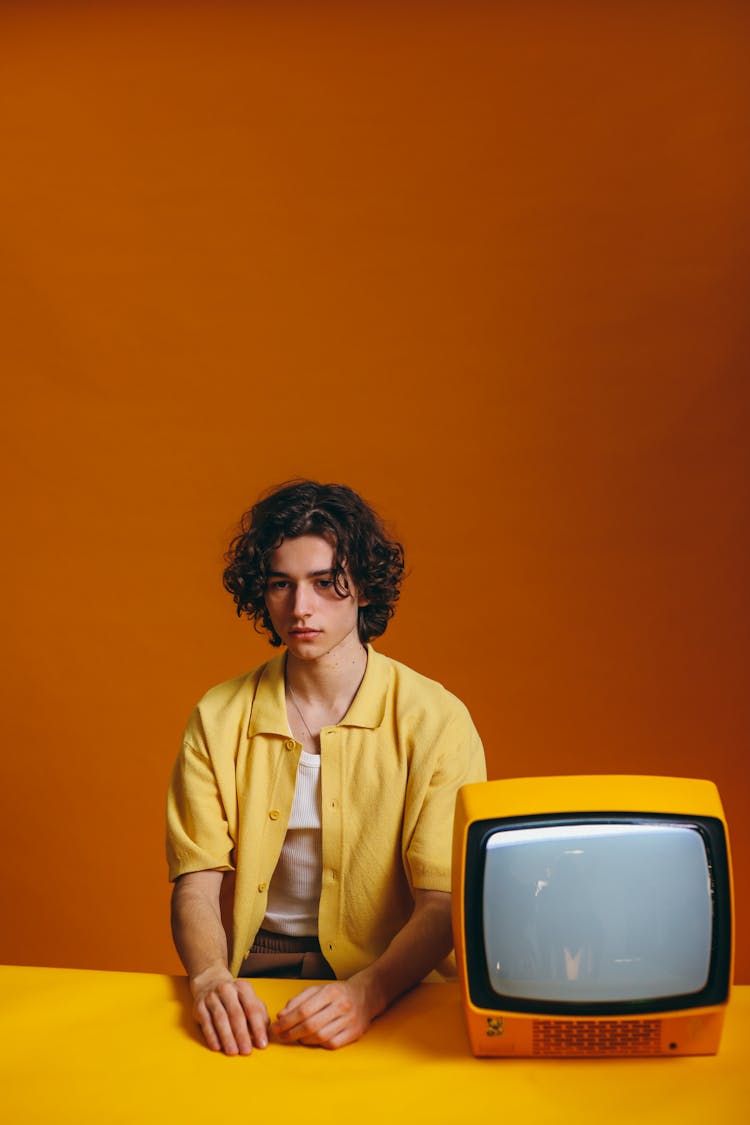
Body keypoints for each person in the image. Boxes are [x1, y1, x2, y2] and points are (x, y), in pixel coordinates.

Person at [166, 480, 486, 1054]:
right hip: (255, 968)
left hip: (398, 977)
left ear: (362, 587)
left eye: (323, 582)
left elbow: (444, 900)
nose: (300, 607)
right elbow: (197, 880)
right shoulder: (217, 716)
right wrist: (211, 977)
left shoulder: (436, 720)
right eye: (280, 585)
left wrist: (369, 992)